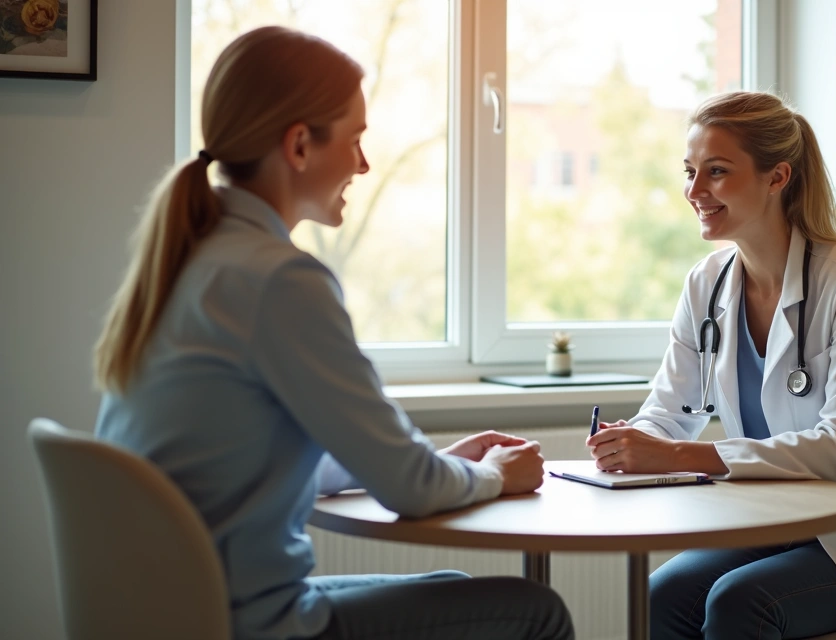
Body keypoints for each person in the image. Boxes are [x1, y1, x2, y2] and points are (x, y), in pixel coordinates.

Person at [92, 26, 574, 640]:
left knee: (454, 592)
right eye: (356, 140)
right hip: (247, 622)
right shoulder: (280, 279)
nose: (364, 163)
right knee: (538, 613)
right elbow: (411, 492)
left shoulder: (194, 260)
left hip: (177, 610)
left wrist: (435, 463)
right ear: (298, 145)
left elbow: (255, 458)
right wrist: (495, 474)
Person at [586, 91, 836, 640]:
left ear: (777, 177)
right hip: (777, 520)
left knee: (740, 604)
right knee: (663, 597)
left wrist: (677, 453)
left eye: (717, 172)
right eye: (690, 171)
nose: (694, 191)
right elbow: (668, 415)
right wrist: (631, 442)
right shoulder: (707, 283)